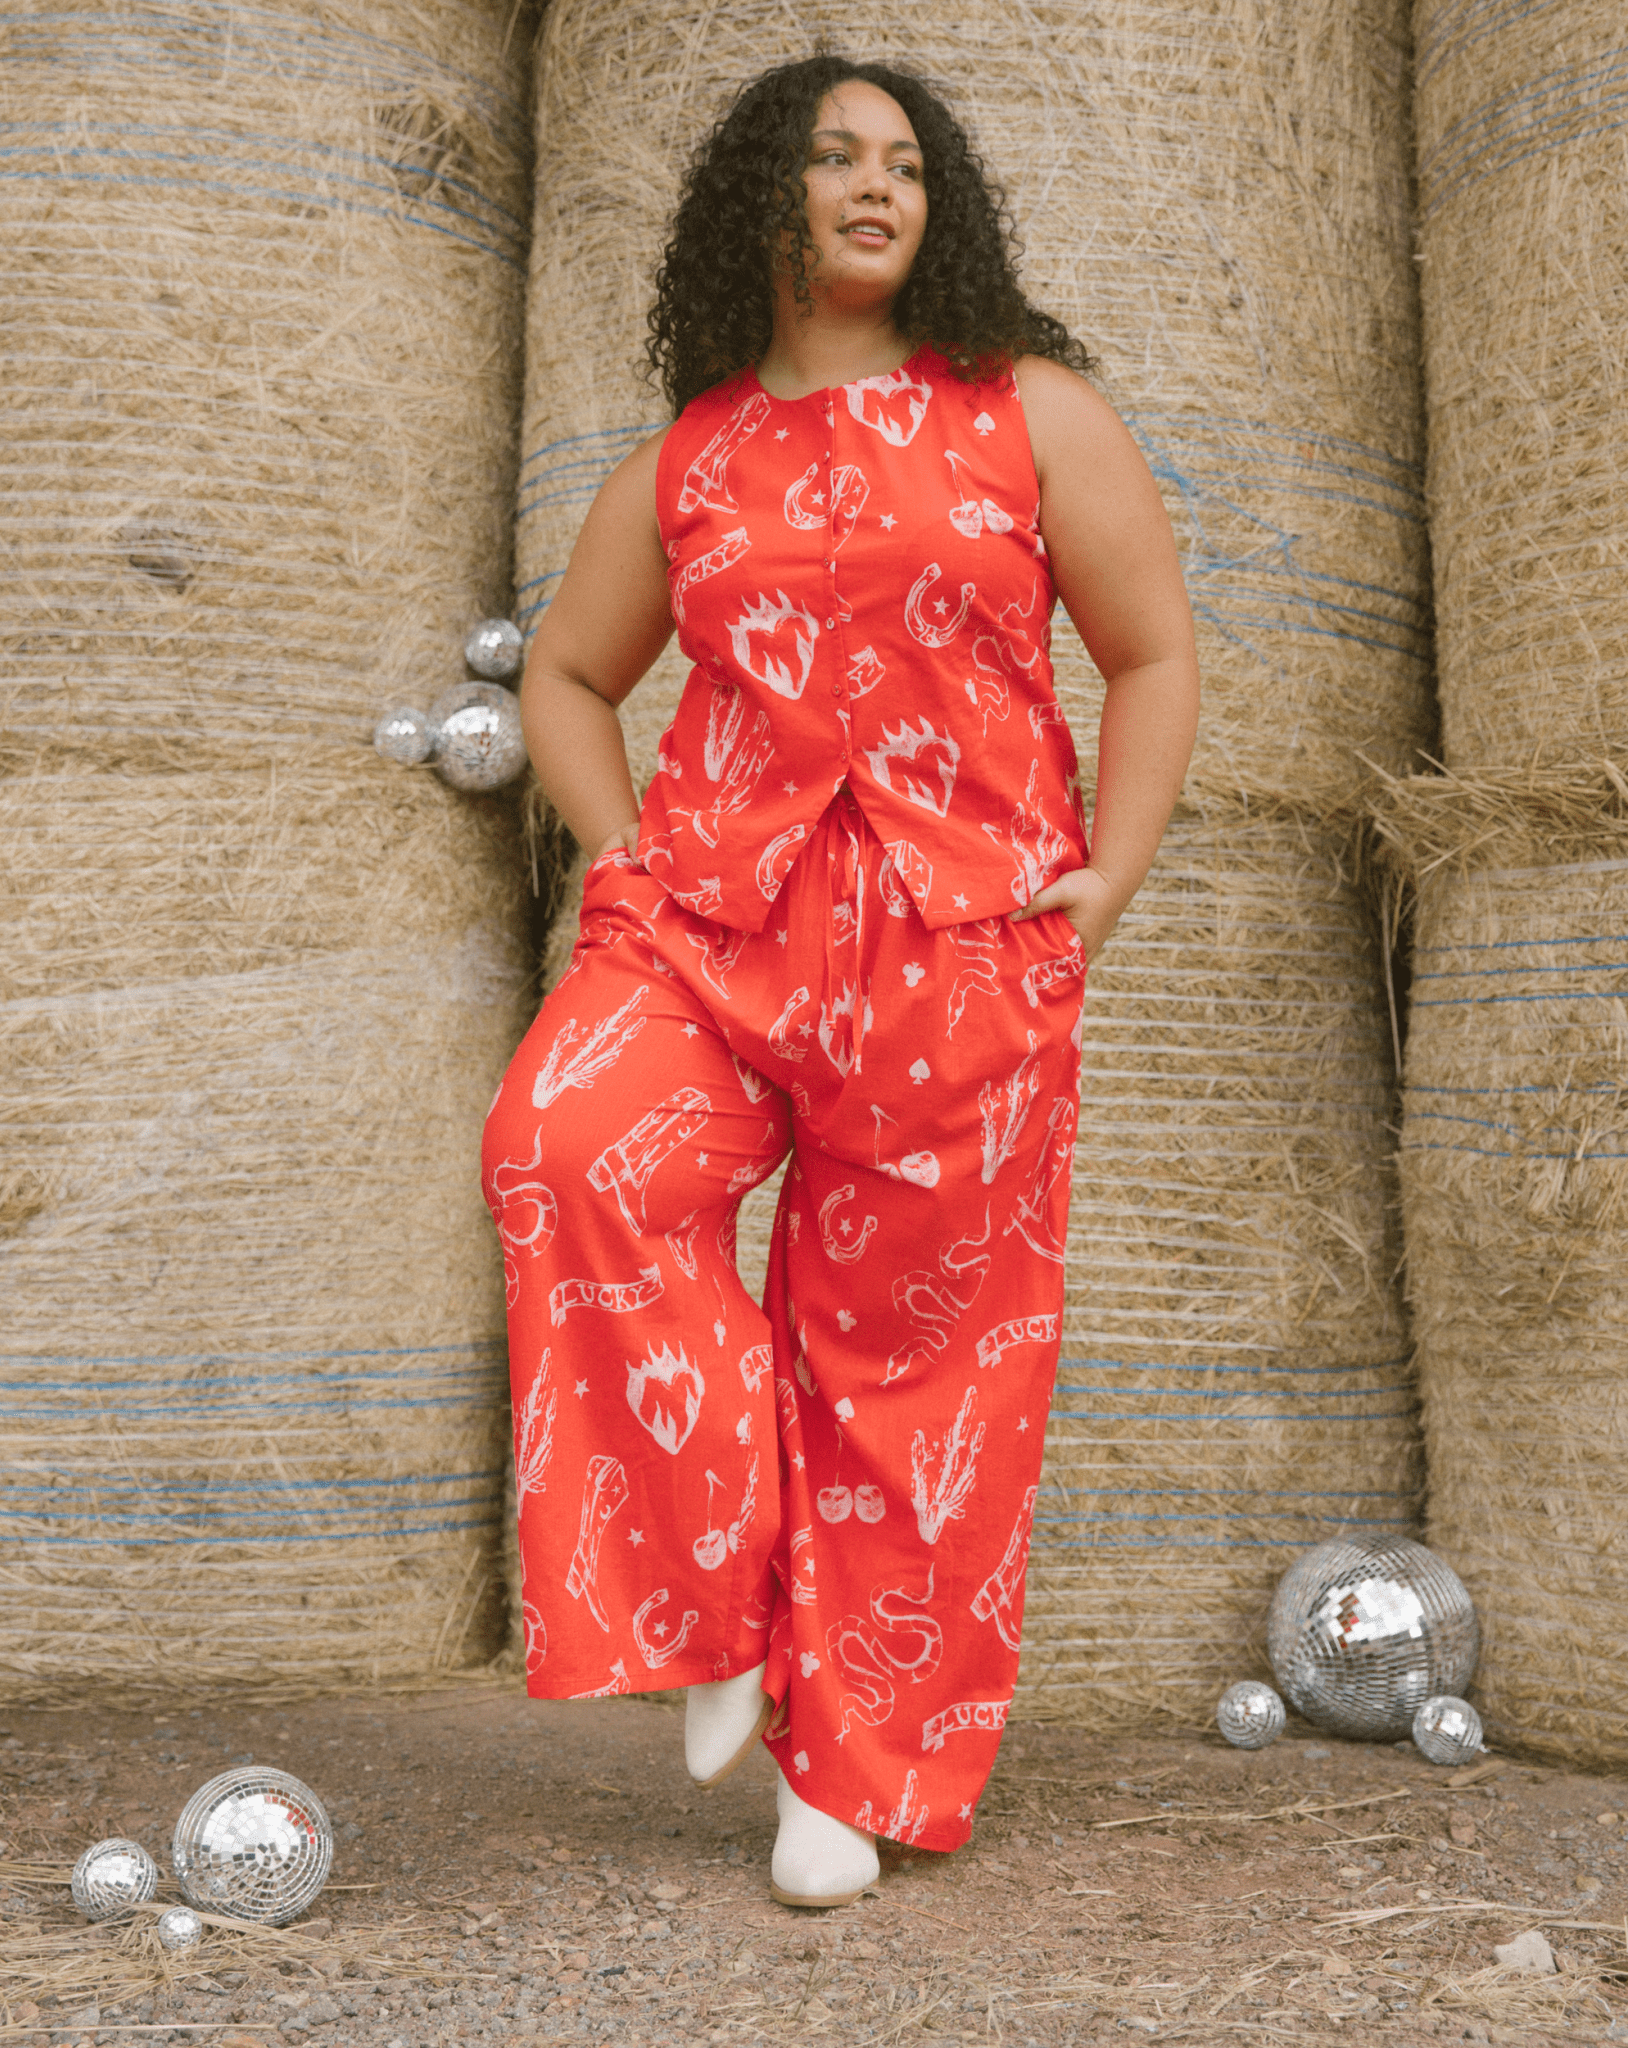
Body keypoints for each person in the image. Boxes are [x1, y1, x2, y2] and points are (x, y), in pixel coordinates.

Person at [482, 52, 1198, 1909]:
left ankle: (852, 1772)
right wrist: (622, 853)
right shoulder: (690, 456)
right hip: (709, 931)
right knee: (566, 1151)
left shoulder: (1029, 412)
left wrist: (1101, 887)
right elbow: (566, 674)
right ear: (764, 197)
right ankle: (717, 1602)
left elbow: (1149, 652)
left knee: (918, 1370)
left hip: (957, 948)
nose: (875, 185)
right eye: (832, 156)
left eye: (905, 164)